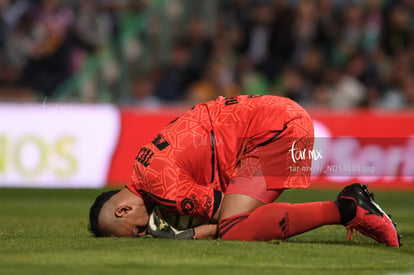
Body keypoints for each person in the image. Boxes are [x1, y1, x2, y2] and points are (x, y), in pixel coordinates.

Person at [89, 95, 401, 247]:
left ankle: (348, 209)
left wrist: (192, 234)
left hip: (274, 131)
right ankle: (349, 206)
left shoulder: (163, 188)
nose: (145, 233)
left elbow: (222, 213)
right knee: (235, 219)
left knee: (233, 227)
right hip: (270, 120)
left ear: (123, 210)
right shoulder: (142, 167)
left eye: (137, 230)